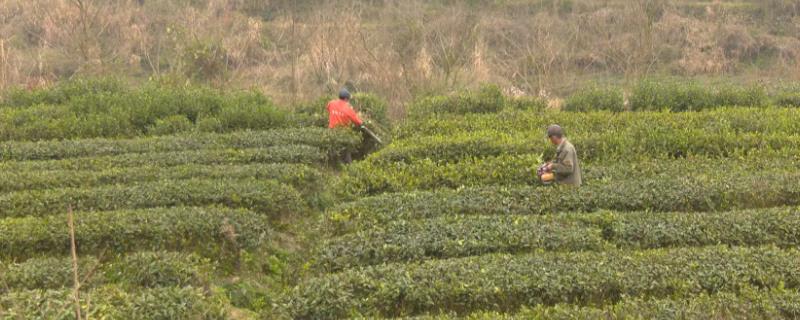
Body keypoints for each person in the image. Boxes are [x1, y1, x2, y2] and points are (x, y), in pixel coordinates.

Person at [326, 88, 363, 163]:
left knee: (332, 147)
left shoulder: (331, 103)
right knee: (346, 150)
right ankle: (349, 166)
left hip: (331, 131)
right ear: (346, 98)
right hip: (342, 132)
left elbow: (328, 108)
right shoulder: (348, 108)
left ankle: (333, 163)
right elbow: (358, 121)